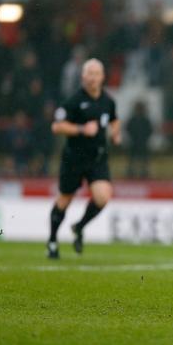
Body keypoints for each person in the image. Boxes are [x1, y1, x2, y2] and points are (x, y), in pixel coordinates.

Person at [47, 58, 121, 259]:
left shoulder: (108, 101)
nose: (92, 78)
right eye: (89, 73)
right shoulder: (73, 101)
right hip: (74, 159)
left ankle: (79, 227)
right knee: (65, 199)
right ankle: (52, 241)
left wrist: (115, 133)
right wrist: (81, 129)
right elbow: (56, 126)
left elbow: (114, 120)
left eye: (96, 74)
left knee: (103, 197)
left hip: (97, 158)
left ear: (102, 77)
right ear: (83, 77)